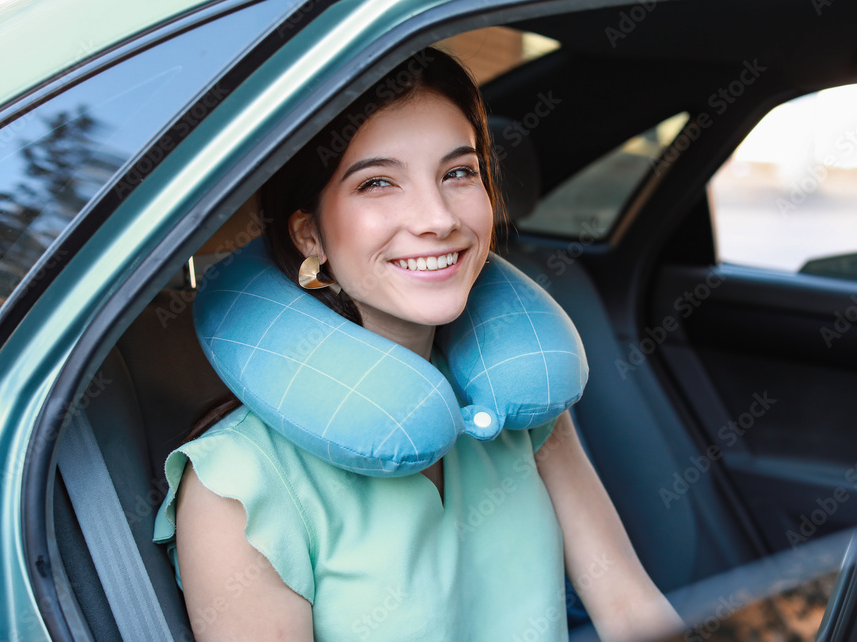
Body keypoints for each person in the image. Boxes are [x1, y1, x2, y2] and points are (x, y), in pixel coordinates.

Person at [154, 46, 682, 641]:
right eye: (378, 183)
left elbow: (631, 608)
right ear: (310, 235)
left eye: (459, 173)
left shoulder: (520, 401)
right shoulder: (238, 486)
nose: (436, 217)